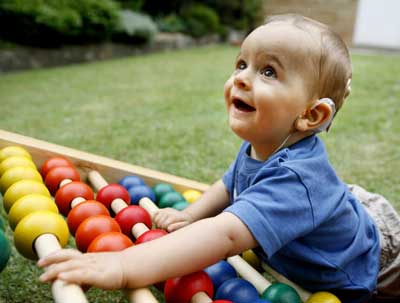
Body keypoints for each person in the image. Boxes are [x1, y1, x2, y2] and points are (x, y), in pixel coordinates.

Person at [38, 14, 397, 303]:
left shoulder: (296, 181)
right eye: (242, 63)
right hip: (331, 209)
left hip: (379, 254)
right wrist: (190, 215)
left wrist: (123, 265)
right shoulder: (264, 142)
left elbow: (225, 235)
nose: (241, 78)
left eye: (268, 71)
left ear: (312, 116)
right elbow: (231, 183)